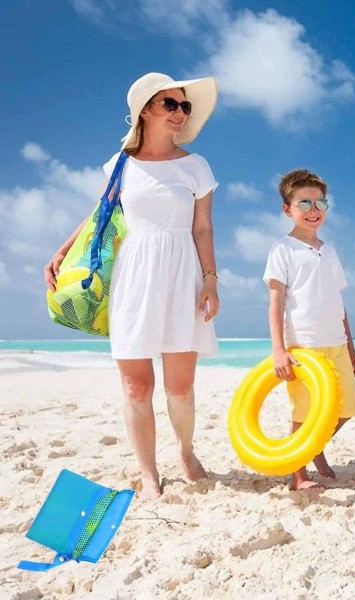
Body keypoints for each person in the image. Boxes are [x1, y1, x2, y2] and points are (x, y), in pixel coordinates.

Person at [44, 72, 220, 500]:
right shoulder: (120, 163)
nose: (180, 112)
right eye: (170, 104)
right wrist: (63, 250)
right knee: (136, 386)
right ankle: (148, 474)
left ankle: (185, 450)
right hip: (133, 274)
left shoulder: (195, 166)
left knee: (180, 387)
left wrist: (211, 279)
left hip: (182, 273)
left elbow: (202, 228)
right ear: (145, 109)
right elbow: (100, 214)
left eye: (185, 105)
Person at [264, 169, 355, 491]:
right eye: (304, 202)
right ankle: (299, 475)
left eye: (320, 202)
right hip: (303, 346)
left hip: (336, 342)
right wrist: (279, 350)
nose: (313, 209)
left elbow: (338, 300)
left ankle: (314, 447)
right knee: (304, 413)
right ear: (287, 209)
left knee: (347, 408)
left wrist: (351, 346)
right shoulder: (283, 250)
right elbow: (276, 303)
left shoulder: (329, 250)